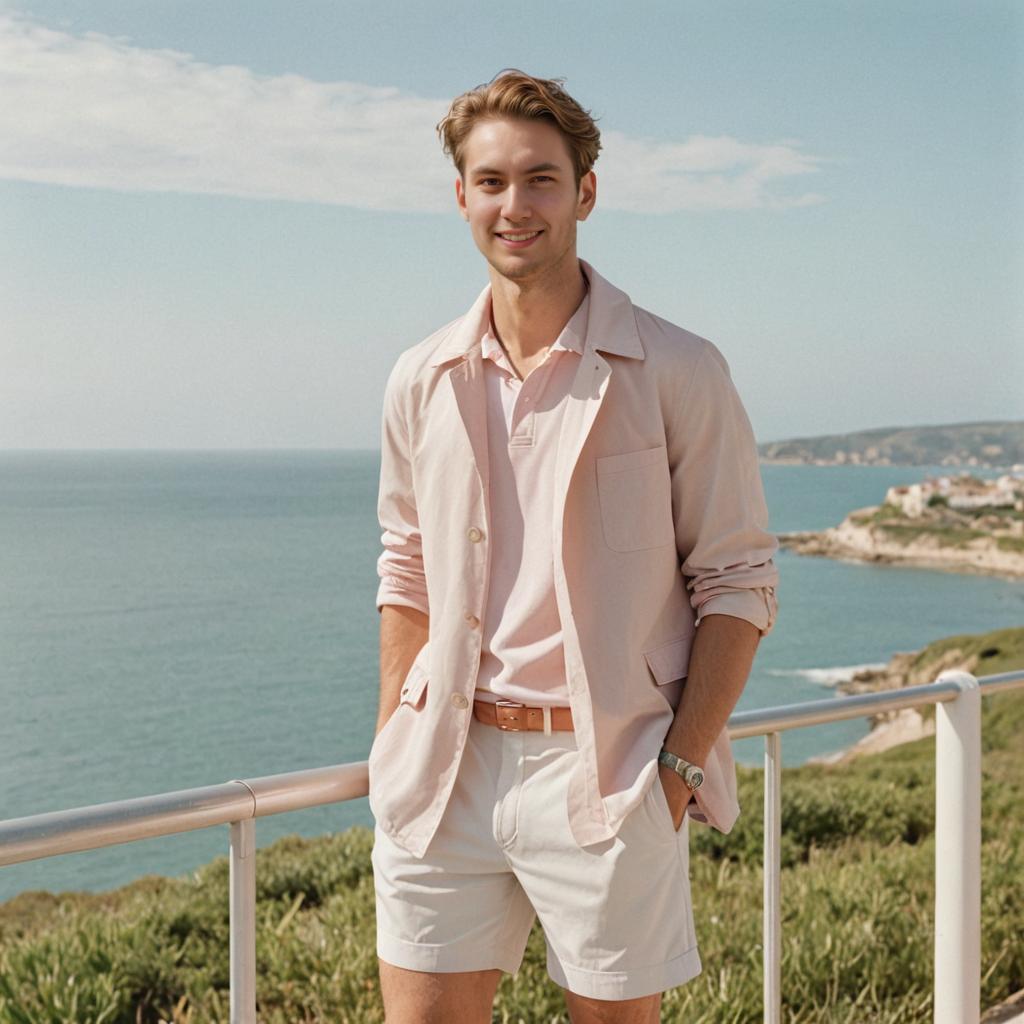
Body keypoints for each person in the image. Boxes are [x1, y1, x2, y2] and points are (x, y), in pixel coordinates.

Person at [369, 68, 779, 1024]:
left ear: (586, 192)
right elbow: (406, 566)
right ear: (461, 196)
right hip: (445, 768)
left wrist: (676, 771)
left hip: (610, 776)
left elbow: (739, 581)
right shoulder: (417, 379)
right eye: (493, 181)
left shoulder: (679, 368)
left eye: (542, 179)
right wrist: (394, 736)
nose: (516, 205)